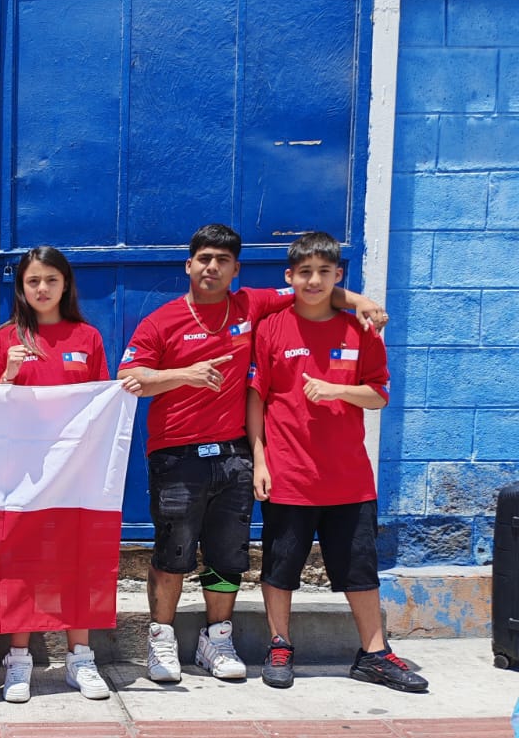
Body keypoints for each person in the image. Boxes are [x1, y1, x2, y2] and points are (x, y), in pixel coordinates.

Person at [119, 223, 386, 686]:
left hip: (234, 456)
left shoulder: (252, 305)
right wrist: (184, 375)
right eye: (204, 259)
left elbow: (314, 290)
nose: (212, 268)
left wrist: (360, 301)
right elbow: (131, 380)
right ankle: (161, 637)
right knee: (172, 553)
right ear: (189, 265)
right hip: (176, 455)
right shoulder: (160, 321)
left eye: (222, 261)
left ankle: (215, 638)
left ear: (236, 270)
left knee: (226, 557)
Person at [248, 232, 427, 693]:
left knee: (360, 570)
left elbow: (379, 395)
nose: (314, 280)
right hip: (289, 475)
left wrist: (336, 390)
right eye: (304, 272)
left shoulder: (359, 331)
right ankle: (280, 644)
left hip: (349, 480)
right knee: (279, 565)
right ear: (289, 277)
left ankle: (374, 653)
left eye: (323, 272)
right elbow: (256, 398)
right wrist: (260, 460)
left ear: (338, 276)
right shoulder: (271, 327)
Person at [0, 246, 111, 704]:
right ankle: (19, 661)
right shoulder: (4, 339)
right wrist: (10, 373)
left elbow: (102, 406)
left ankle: (80, 658)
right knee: (24, 566)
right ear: (20, 287)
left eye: (50, 280)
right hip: (22, 474)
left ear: (65, 285)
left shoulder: (88, 337)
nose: (41, 289)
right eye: (33, 281)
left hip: (75, 472)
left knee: (79, 563)